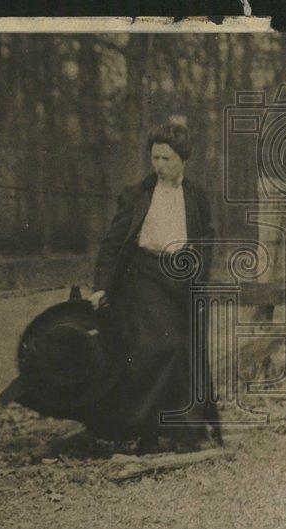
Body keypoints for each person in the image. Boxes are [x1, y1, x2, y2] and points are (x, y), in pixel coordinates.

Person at [89, 122, 219, 453]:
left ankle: (185, 433)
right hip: (143, 278)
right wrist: (101, 287)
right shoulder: (136, 194)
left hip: (182, 279)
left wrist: (199, 275)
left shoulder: (196, 196)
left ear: (183, 160)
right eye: (155, 157)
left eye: (167, 159)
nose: (159, 165)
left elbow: (206, 240)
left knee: (188, 350)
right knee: (160, 345)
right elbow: (111, 244)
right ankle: (141, 429)